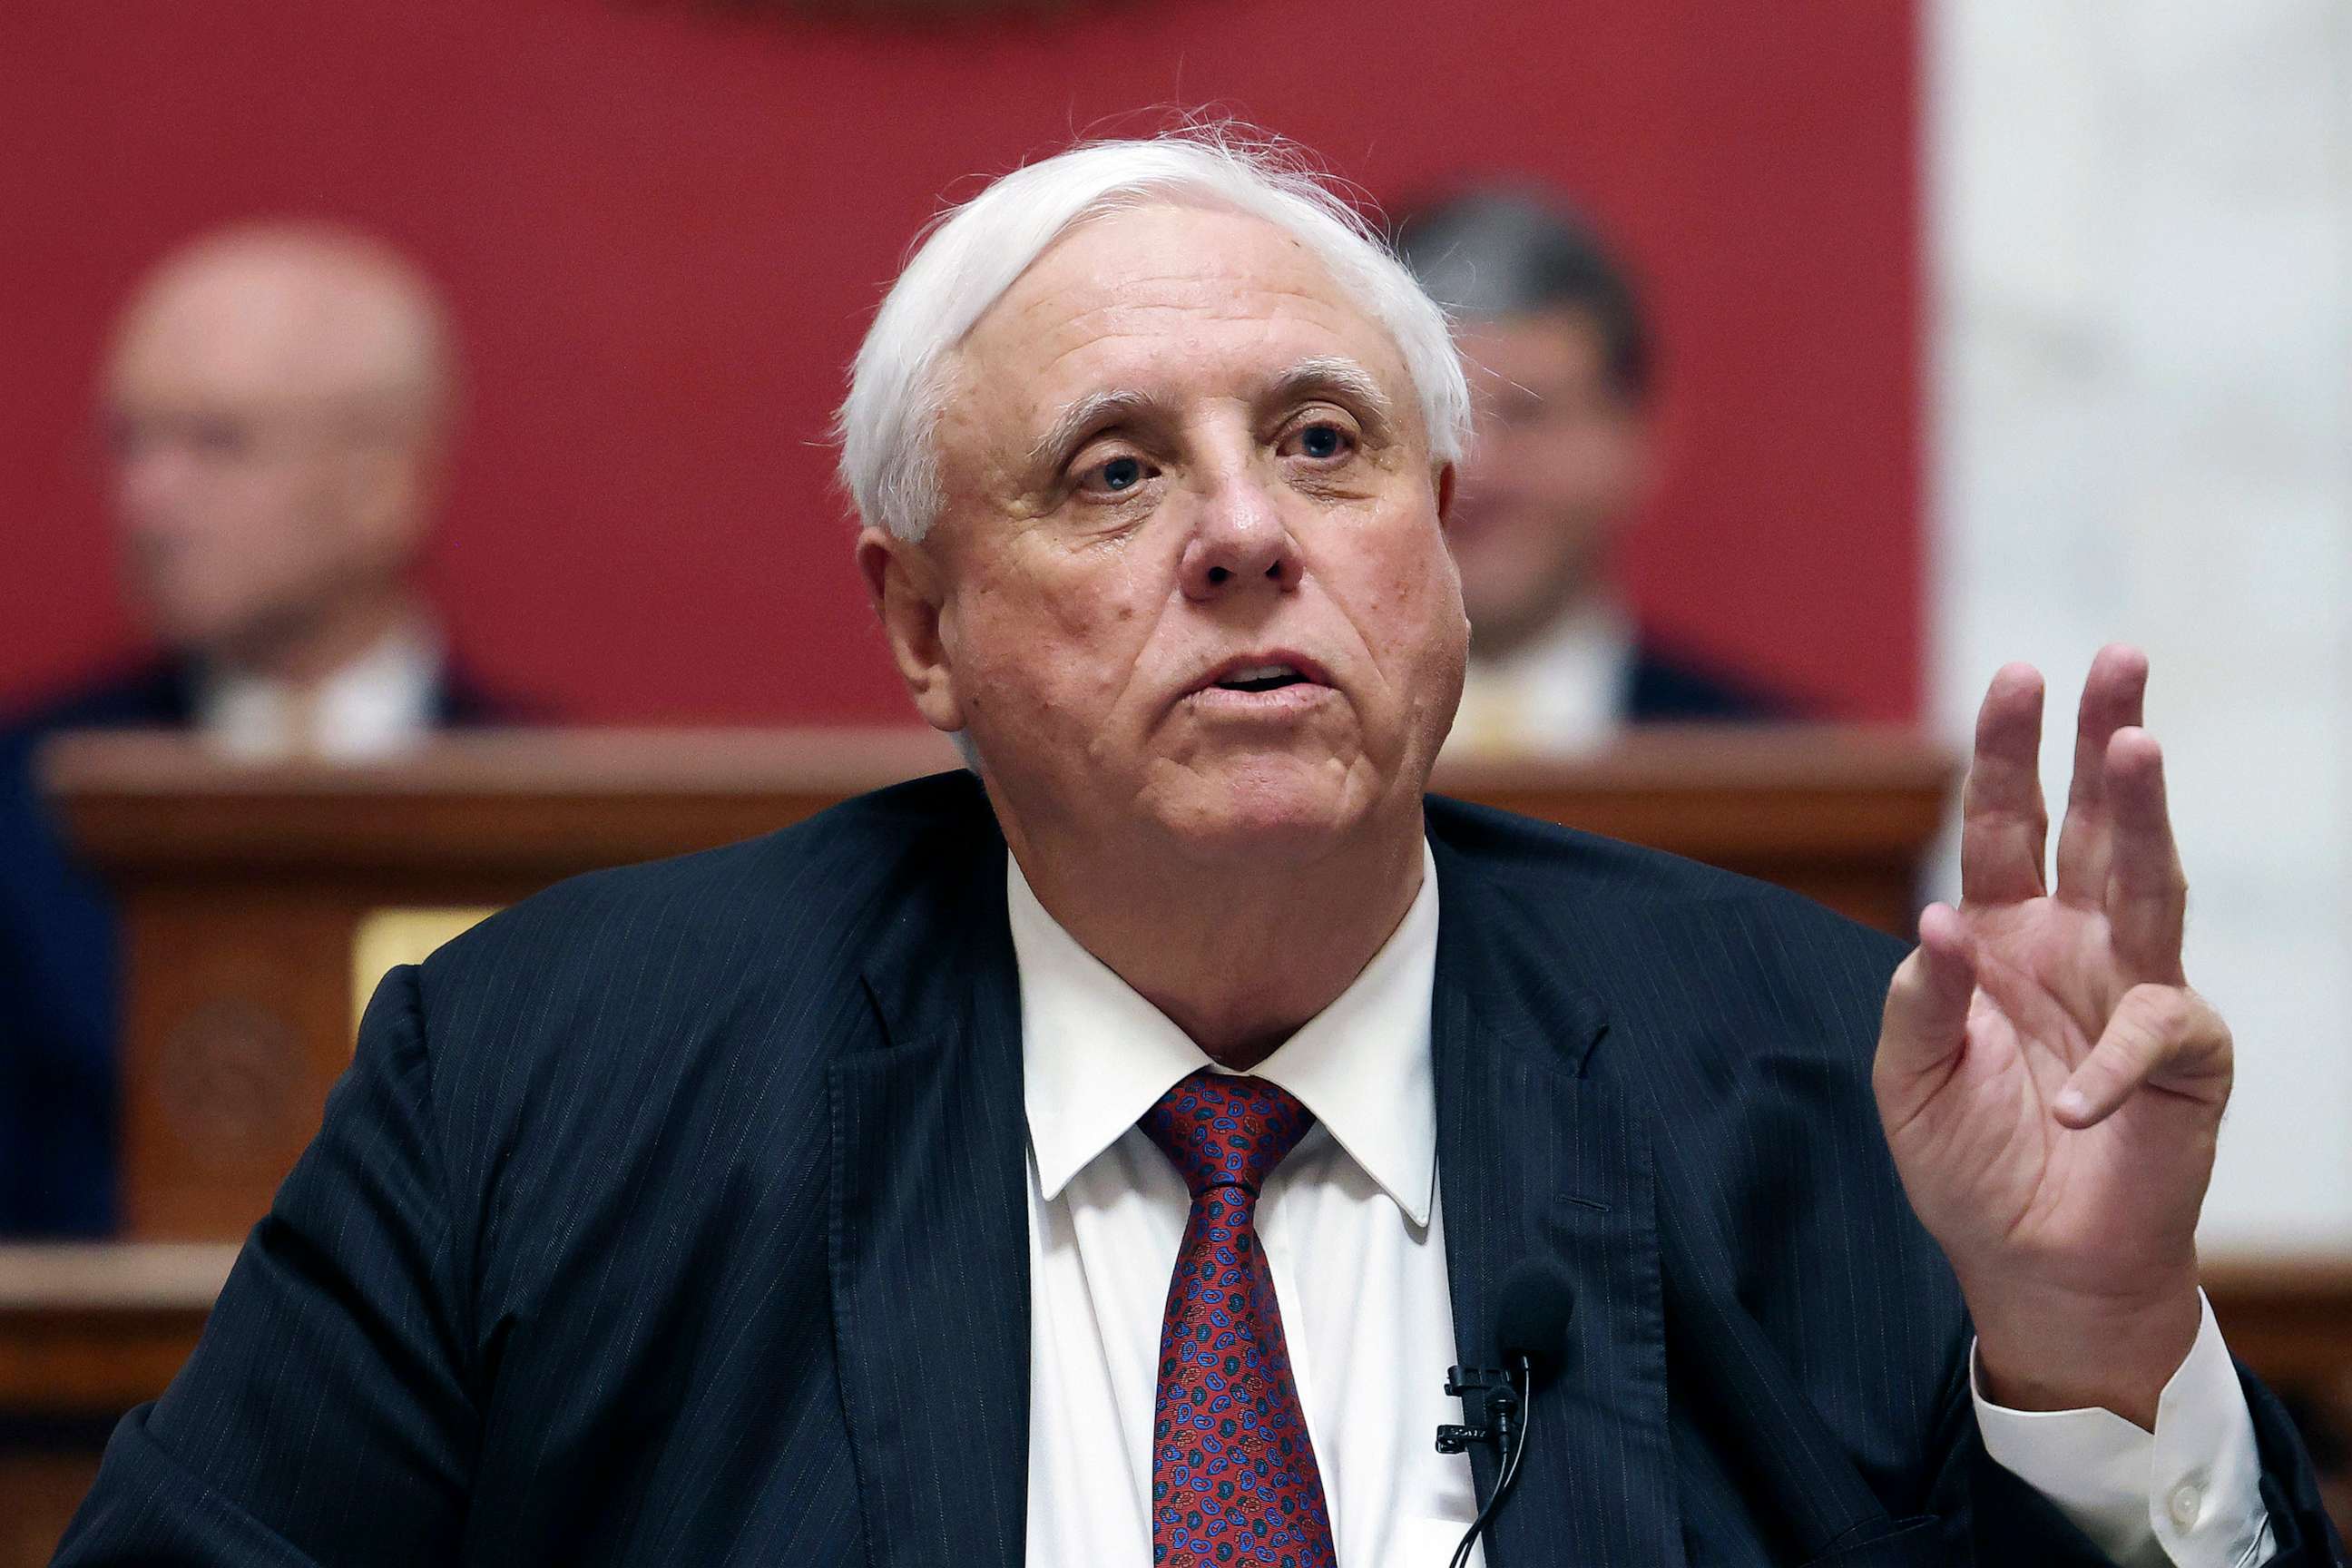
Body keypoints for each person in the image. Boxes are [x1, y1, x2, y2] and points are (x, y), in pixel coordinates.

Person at [54, 132, 2339, 1566]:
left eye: (1324, 443)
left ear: (1439, 555)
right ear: (922, 618)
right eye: (1116, 469)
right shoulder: (547, 1081)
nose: (1246, 531)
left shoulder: (1810, 1077)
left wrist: (2092, 1343)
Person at [0, 224, 519, 1237]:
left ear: (384, 484)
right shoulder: (28, 798)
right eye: (131, 441)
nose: (148, 498)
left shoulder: (554, 818)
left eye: (217, 441)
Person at [1395, 187, 1784, 754]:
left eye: (1529, 413)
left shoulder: (1771, 780)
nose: (1477, 465)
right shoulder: (1269, 764)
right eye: (1438, 413)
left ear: (1632, 439)